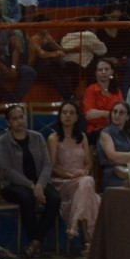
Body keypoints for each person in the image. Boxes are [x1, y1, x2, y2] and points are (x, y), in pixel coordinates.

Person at [0, 103, 58, 259]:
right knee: (26, 197)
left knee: (55, 198)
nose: (19, 121)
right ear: (8, 123)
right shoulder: (3, 141)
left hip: (38, 183)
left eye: (21, 117)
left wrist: (40, 185)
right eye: (15, 119)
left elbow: (46, 164)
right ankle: (34, 241)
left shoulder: (37, 137)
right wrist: (31, 186)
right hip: (12, 185)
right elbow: (7, 170)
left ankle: (35, 242)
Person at [46, 100, 100, 249]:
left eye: (71, 113)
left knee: (88, 188)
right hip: (62, 182)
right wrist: (68, 175)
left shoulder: (82, 137)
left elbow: (89, 163)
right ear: (60, 116)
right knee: (90, 191)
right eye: (64, 113)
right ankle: (89, 241)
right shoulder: (54, 138)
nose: (68, 116)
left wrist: (84, 171)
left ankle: (78, 230)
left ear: (77, 117)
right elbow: (51, 167)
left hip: (81, 180)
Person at [81, 58, 122, 132]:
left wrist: (103, 113)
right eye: (100, 70)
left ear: (112, 72)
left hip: (116, 129)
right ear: (96, 73)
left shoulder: (117, 91)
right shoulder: (91, 90)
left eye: (106, 69)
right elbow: (89, 116)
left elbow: (123, 114)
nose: (103, 72)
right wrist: (113, 116)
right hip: (96, 130)